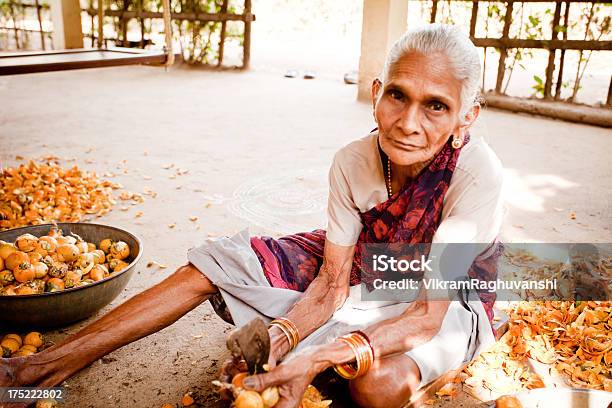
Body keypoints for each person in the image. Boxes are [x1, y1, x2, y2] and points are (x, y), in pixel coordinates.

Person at [1, 24, 504, 408]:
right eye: (398, 95)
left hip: (442, 291)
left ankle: (338, 358)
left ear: (467, 115)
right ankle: (42, 368)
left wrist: (313, 355)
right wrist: (284, 334)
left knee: (377, 385)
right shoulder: (352, 162)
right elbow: (331, 283)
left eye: (436, 106)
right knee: (211, 268)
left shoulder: (475, 173)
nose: (408, 123)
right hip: (363, 264)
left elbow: (425, 314)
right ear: (377, 92)